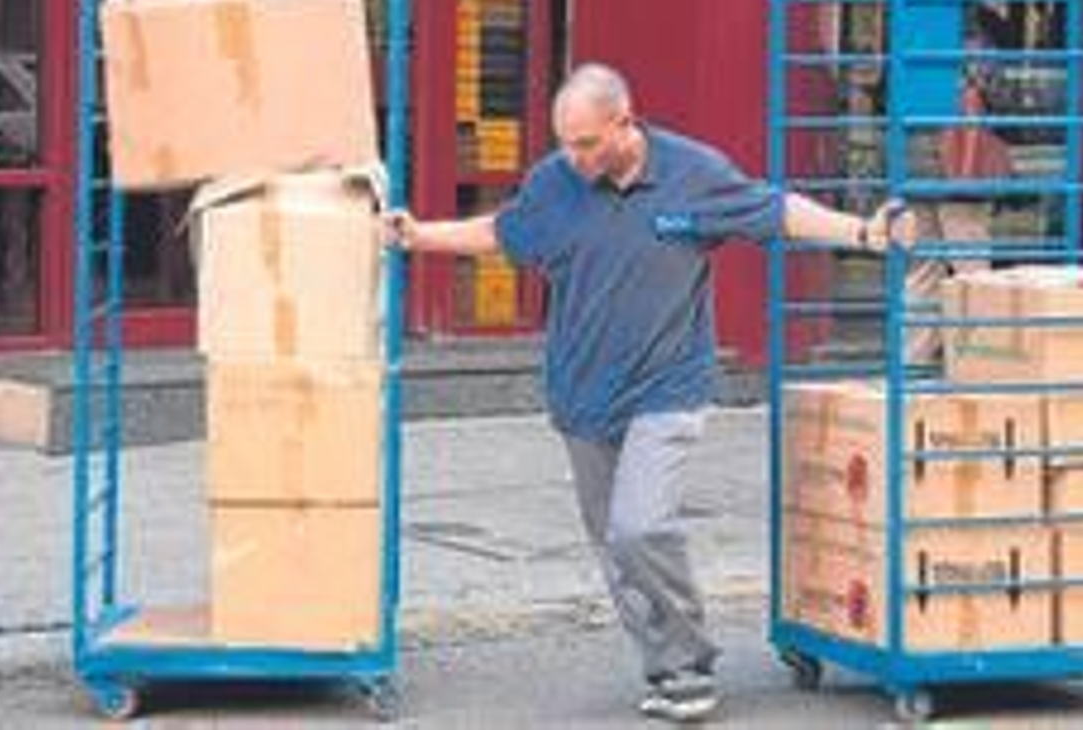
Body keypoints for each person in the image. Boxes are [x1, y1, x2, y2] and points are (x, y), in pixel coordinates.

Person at [384, 63, 914, 723]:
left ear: (625, 123)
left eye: (585, 143)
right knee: (612, 543)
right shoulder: (555, 183)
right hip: (581, 394)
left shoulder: (693, 174)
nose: (572, 158)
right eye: (565, 142)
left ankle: (689, 658)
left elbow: (777, 211)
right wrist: (420, 237)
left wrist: (862, 233)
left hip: (668, 387)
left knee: (641, 527)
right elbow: (502, 231)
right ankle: (669, 671)